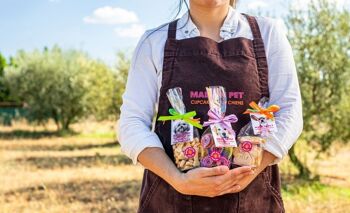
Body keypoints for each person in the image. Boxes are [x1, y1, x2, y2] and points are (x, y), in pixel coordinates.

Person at [118, 0, 303, 212]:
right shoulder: (154, 42)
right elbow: (131, 124)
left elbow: (289, 111)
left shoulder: (267, 34)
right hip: (170, 198)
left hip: (252, 197)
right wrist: (179, 179)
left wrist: (248, 172)